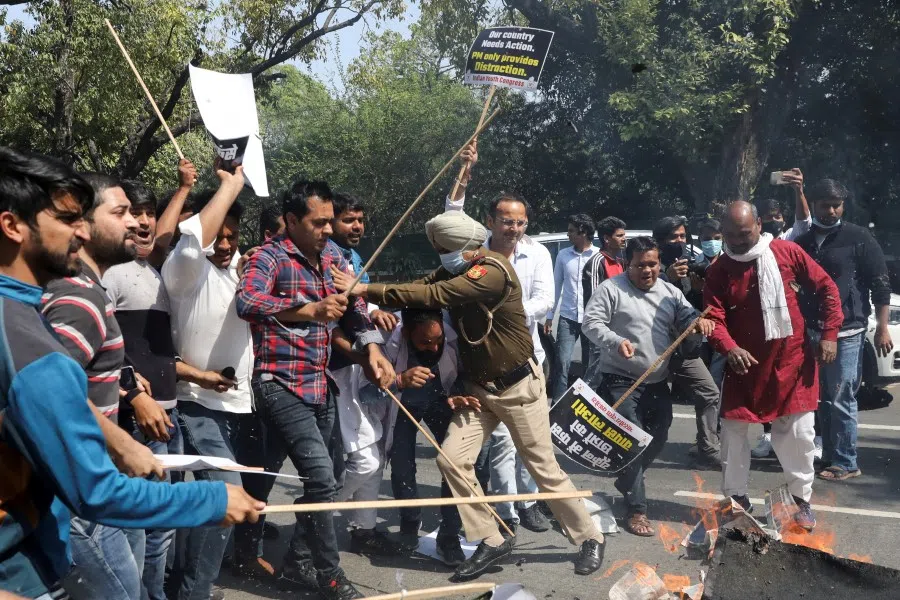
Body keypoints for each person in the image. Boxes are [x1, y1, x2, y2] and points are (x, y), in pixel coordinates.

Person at [0, 147, 263, 599]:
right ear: (13, 225)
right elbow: (95, 492)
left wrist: (116, 439)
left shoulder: (22, 316)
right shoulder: (31, 339)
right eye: (67, 219)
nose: (81, 232)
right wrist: (212, 499)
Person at [331, 210, 606, 581]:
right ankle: (491, 538)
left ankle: (590, 536)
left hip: (518, 388)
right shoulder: (454, 269)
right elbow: (421, 288)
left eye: (444, 248)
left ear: (461, 246)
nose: (441, 255)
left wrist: (364, 288)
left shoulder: (489, 269)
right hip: (477, 391)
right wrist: (370, 300)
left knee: (543, 468)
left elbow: (437, 293)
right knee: (451, 460)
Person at [235, 179, 391, 600]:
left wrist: (372, 348)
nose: (327, 230)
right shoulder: (269, 257)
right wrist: (309, 309)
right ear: (290, 221)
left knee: (322, 476)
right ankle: (331, 577)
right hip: (278, 384)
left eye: (329, 222)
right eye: (318, 223)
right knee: (320, 477)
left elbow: (355, 306)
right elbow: (247, 302)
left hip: (321, 385)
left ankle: (297, 559)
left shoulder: (335, 256)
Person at [102, 178, 222, 600]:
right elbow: (108, 349)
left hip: (166, 413)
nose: (144, 221)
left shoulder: (156, 273)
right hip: (136, 417)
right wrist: (134, 391)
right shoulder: (111, 275)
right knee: (141, 526)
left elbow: (155, 352)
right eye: (133, 212)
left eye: (150, 212)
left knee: (162, 528)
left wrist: (199, 375)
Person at [703, 201, 842, 532]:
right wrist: (729, 347)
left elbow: (827, 289)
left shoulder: (786, 252)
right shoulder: (719, 270)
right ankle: (736, 499)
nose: (738, 241)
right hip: (744, 365)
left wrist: (830, 335)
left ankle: (800, 501)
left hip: (791, 361)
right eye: (731, 235)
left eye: (745, 233)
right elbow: (712, 317)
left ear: (759, 224)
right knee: (733, 433)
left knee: (798, 434)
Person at [160, 167, 264, 598]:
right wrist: (230, 186)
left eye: (232, 236)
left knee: (209, 502)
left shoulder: (245, 266)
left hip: (238, 405)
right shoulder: (185, 270)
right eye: (216, 236)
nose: (224, 245)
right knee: (227, 498)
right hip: (195, 404)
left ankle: (186, 580)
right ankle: (194, 592)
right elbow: (190, 248)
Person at [446, 154, 556, 533]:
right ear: (490, 221)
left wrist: (503, 311)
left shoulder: (538, 253)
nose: (513, 228)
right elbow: (451, 217)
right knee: (501, 445)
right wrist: (465, 170)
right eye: (506, 221)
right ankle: (505, 511)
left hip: (527, 363)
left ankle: (528, 503)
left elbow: (545, 301)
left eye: (520, 222)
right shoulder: (473, 251)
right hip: (482, 364)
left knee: (533, 446)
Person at [582, 236, 714, 537]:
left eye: (652, 264)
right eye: (640, 265)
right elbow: (591, 323)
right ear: (628, 263)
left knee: (659, 435)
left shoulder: (670, 292)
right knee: (632, 441)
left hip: (656, 381)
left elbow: (688, 316)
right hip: (620, 380)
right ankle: (637, 509)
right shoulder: (612, 289)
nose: (647, 271)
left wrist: (699, 323)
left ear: (659, 264)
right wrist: (616, 342)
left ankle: (629, 479)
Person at [794, 179, 893, 481]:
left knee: (841, 395)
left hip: (847, 331)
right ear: (815, 205)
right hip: (812, 330)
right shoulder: (804, 241)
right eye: (825, 205)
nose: (832, 210)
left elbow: (881, 284)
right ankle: (829, 456)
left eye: (837, 205)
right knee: (822, 396)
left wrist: (883, 328)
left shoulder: (858, 238)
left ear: (843, 205)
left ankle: (847, 461)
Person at [327, 191, 403, 555]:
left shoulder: (354, 257)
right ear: (331, 221)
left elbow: (358, 305)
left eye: (360, 219)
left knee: (377, 452)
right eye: (349, 220)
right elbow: (332, 321)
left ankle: (365, 529)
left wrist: (372, 310)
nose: (357, 226)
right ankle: (316, 516)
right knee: (364, 458)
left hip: (361, 364)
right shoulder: (326, 257)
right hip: (337, 369)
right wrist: (363, 355)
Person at [360, 308, 465, 565]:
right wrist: (398, 380)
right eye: (424, 343)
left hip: (443, 401)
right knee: (401, 465)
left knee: (454, 465)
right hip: (404, 405)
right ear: (406, 333)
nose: (433, 347)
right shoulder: (385, 338)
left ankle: (449, 536)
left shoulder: (455, 331)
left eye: (438, 340)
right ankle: (409, 522)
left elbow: (466, 374)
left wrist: (459, 393)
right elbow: (366, 394)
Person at [750, 168, 813, 458]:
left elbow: (805, 221)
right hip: (759, 320)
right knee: (764, 378)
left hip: (790, 319)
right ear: (758, 222)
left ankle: (799, 440)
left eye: (779, 217)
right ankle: (767, 434)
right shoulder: (747, 245)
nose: (775, 222)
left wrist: (799, 191)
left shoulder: (790, 239)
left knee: (791, 378)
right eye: (769, 218)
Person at [652, 216, 722, 468]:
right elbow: (646, 300)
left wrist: (696, 289)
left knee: (709, 391)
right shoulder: (650, 264)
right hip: (654, 347)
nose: (679, 241)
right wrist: (666, 277)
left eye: (683, 236)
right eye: (673, 237)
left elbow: (689, 307)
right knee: (655, 409)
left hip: (684, 348)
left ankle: (708, 447)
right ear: (660, 241)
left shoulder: (689, 264)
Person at [546, 213, 598, 401]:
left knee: (589, 364)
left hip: (591, 318)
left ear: (582, 232)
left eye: (571, 231)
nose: (568, 235)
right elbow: (556, 284)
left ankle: (584, 403)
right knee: (562, 362)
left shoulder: (598, 257)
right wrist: (550, 315)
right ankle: (558, 404)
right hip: (568, 317)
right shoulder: (563, 255)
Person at [581, 216, 627, 388]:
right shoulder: (597, 262)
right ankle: (573, 412)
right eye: (620, 235)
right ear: (607, 239)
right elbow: (594, 301)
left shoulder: (620, 262)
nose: (624, 239)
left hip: (617, 328)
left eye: (624, 235)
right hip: (602, 328)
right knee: (593, 376)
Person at [147, 159, 197, 269]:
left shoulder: (201, 256)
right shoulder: (151, 257)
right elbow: (158, 245)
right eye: (189, 219)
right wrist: (184, 188)